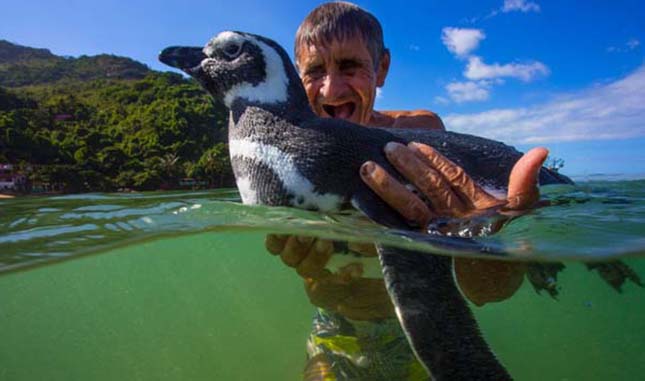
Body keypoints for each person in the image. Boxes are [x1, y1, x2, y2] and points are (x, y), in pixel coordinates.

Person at [264, 2, 546, 380]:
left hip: (411, 329)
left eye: (349, 66)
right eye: (315, 71)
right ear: (299, 79)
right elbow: (319, 288)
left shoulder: (422, 133)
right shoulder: (291, 160)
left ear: (381, 69)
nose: (331, 89)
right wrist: (318, 278)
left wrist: (479, 229)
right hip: (336, 330)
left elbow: (485, 290)